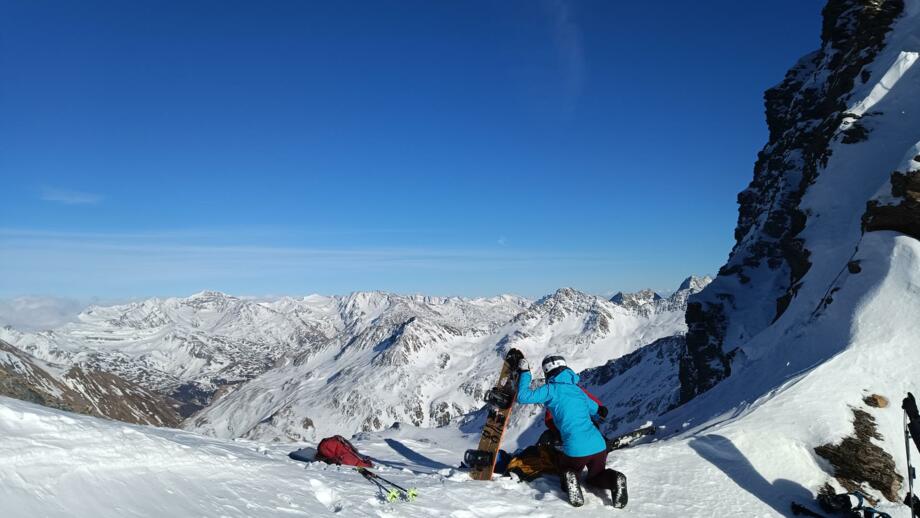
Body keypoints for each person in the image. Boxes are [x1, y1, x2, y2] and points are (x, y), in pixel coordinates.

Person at [516, 353, 627, 508]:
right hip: (598, 445)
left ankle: (570, 476)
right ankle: (615, 479)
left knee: (565, 469)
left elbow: (523, 396)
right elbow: (598, 410)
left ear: (547, 372)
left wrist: (524, 373)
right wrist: (601, 410)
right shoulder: (577, 390)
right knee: (596, 476)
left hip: (576, 448)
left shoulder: (550, 389)